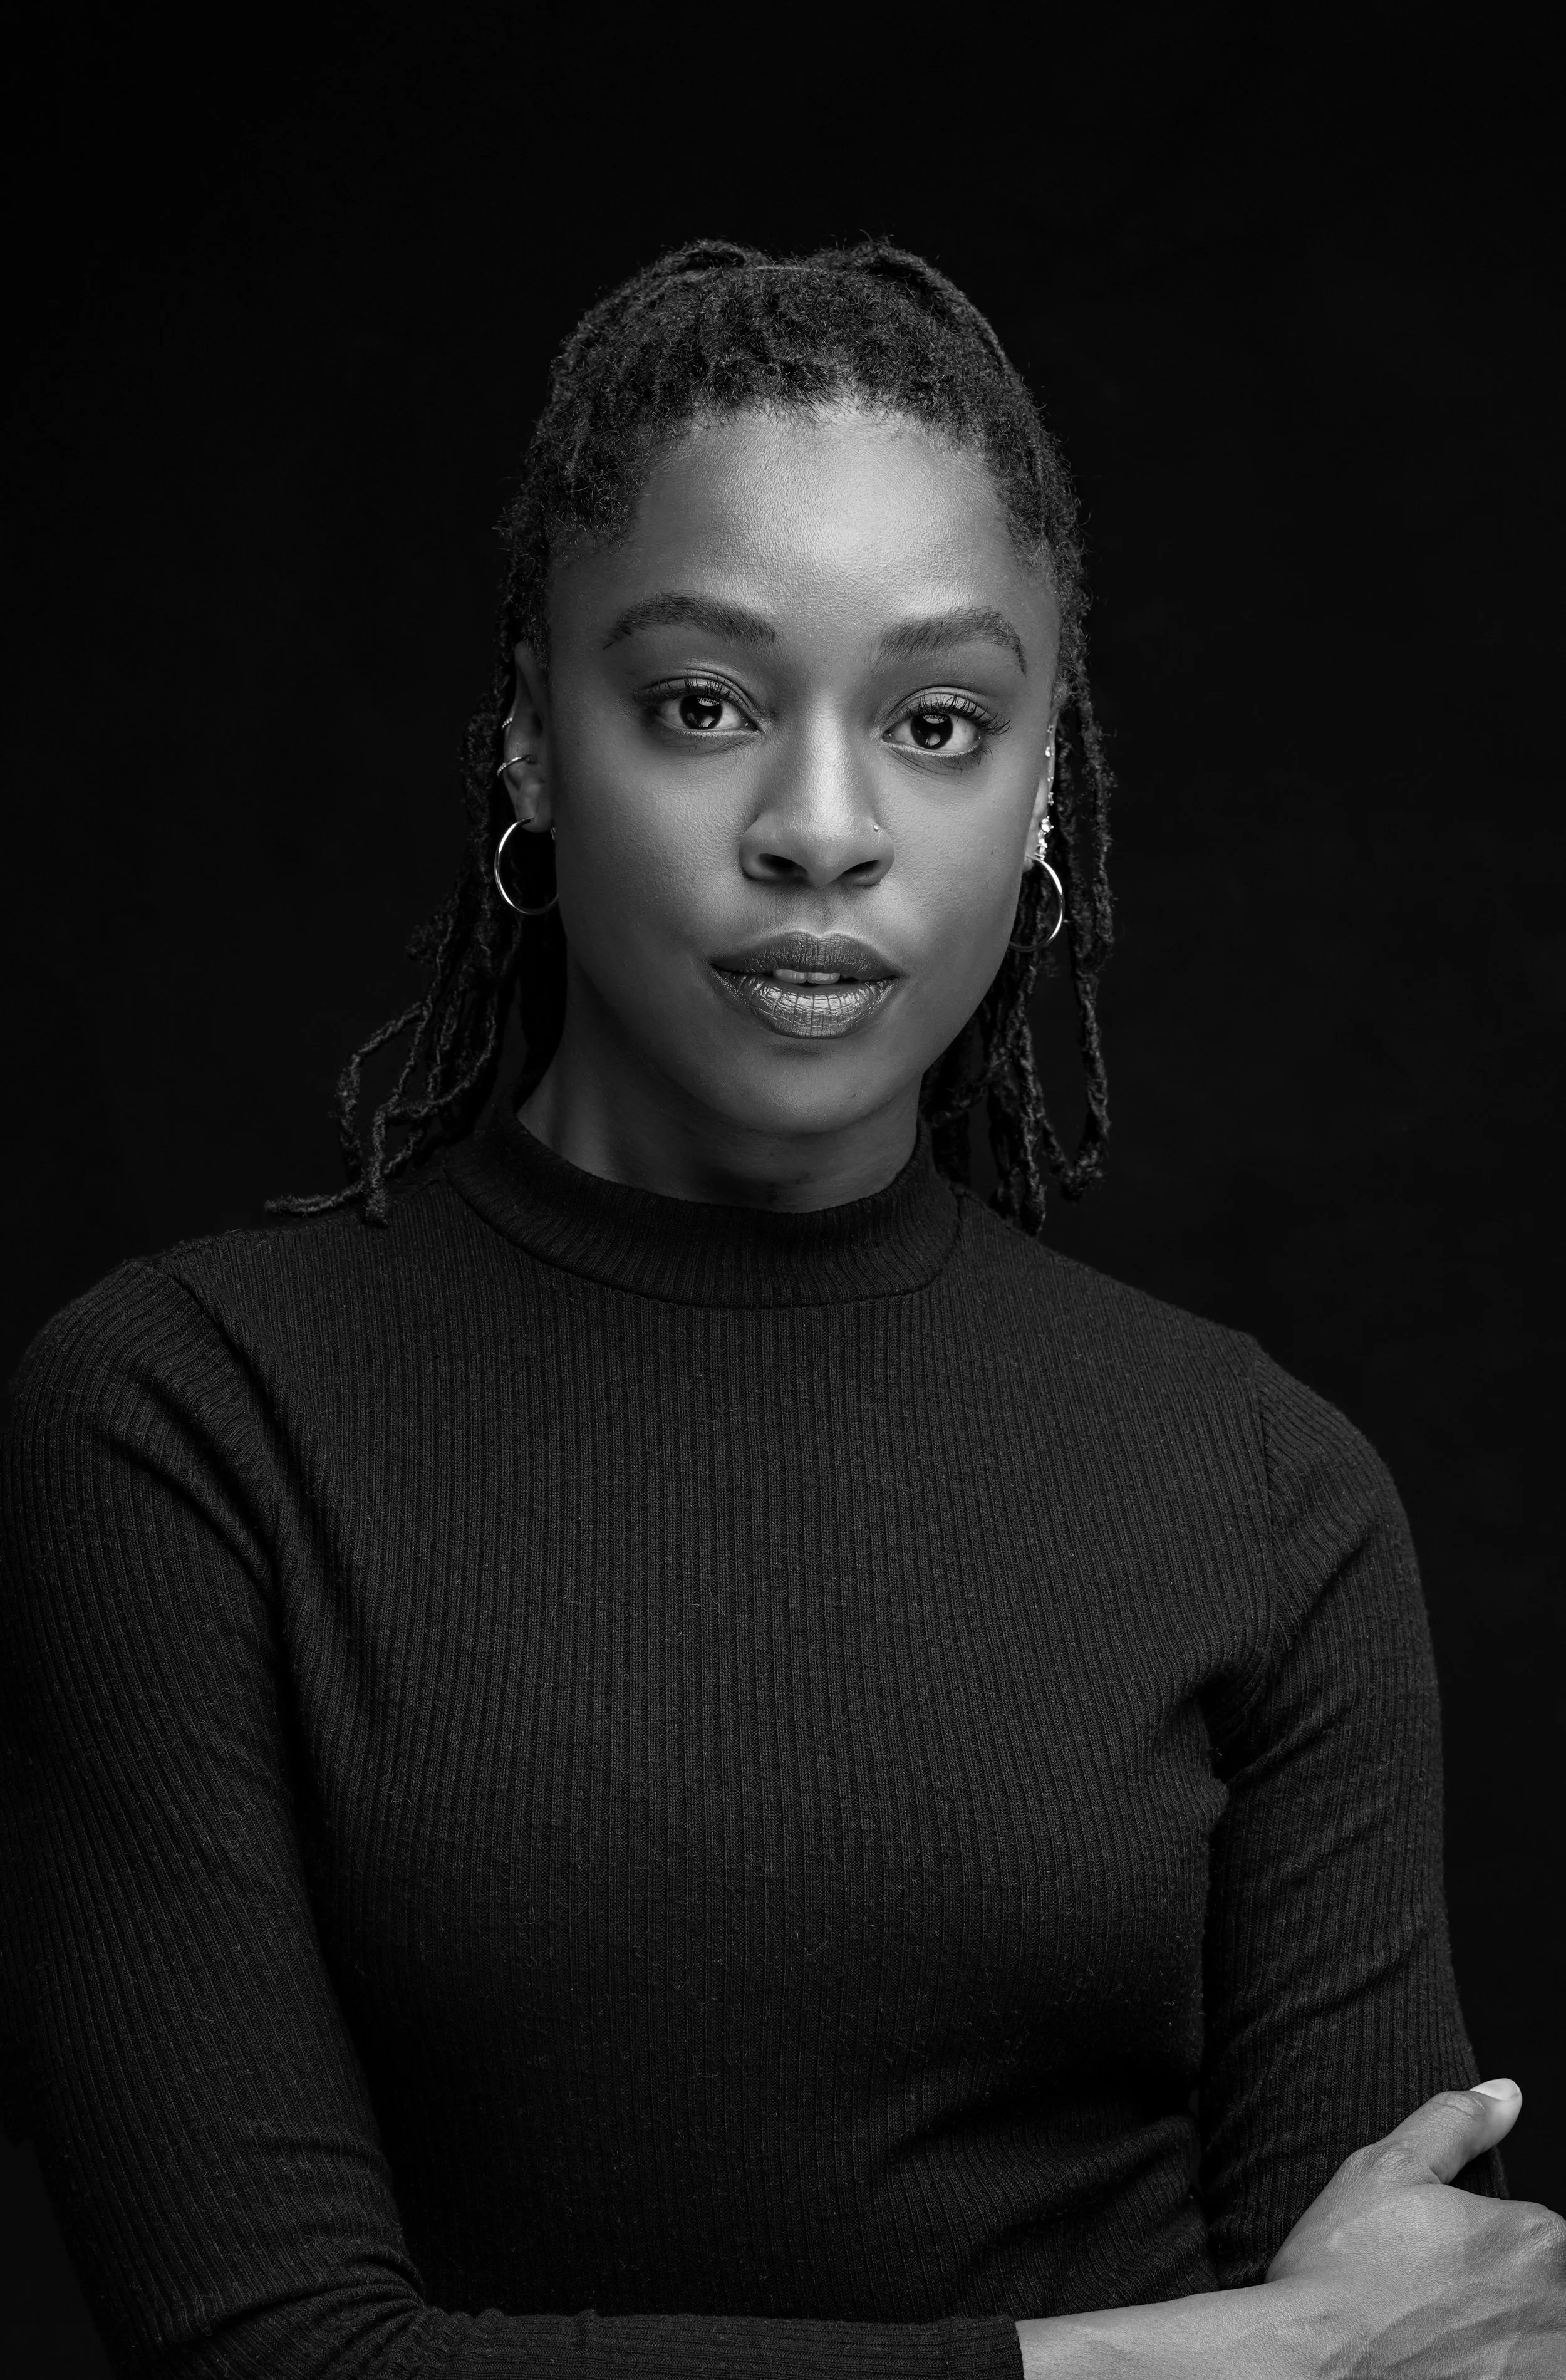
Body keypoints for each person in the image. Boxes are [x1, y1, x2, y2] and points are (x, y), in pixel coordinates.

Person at [1, 240, 1559, 2380]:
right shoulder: (183, 1427)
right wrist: (1201, 2363)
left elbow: (1424, 2349)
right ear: (531, 742)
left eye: (935, 724)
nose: (821, 830)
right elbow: (267, 2356)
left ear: (1038, 789)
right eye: (703, 704)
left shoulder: (1265, 1490)